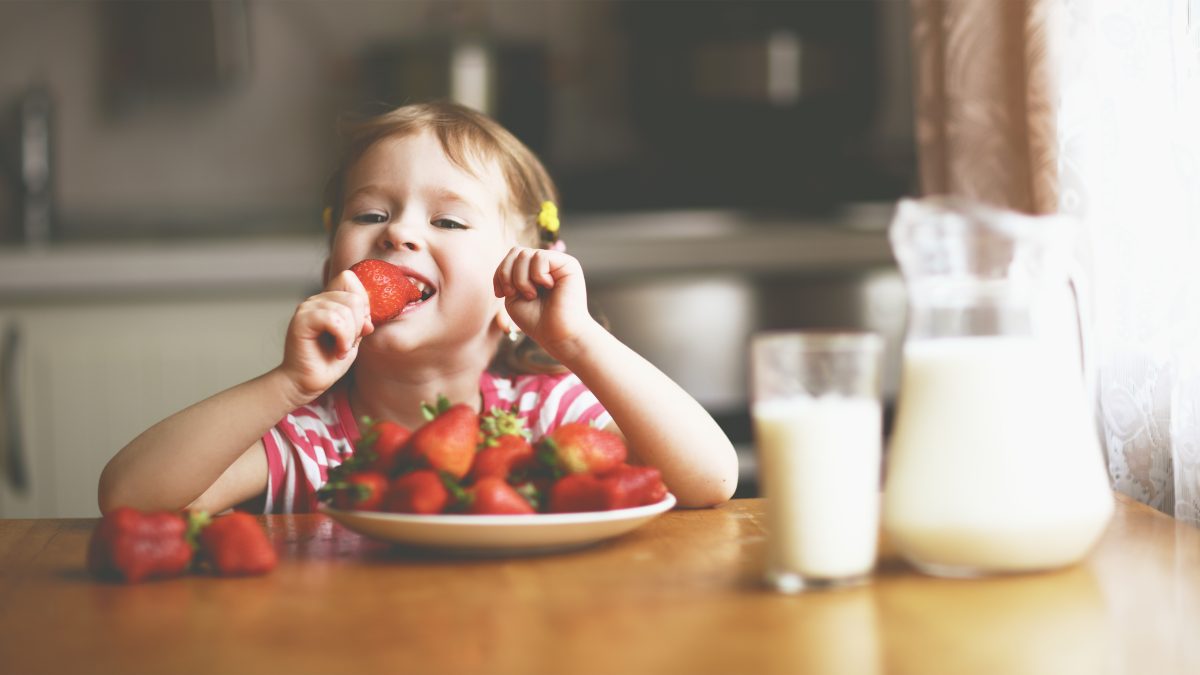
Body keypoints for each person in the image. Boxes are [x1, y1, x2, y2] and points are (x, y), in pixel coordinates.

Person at [98, 101, 738, 515]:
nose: (399, 234)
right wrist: (287, 384)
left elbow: (710, 480)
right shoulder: (310, 440)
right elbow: (130, 499)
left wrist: (578, 343)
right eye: (371, 214)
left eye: (449, 221)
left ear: (513, 290)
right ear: (330, 274)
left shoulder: (547, 415)